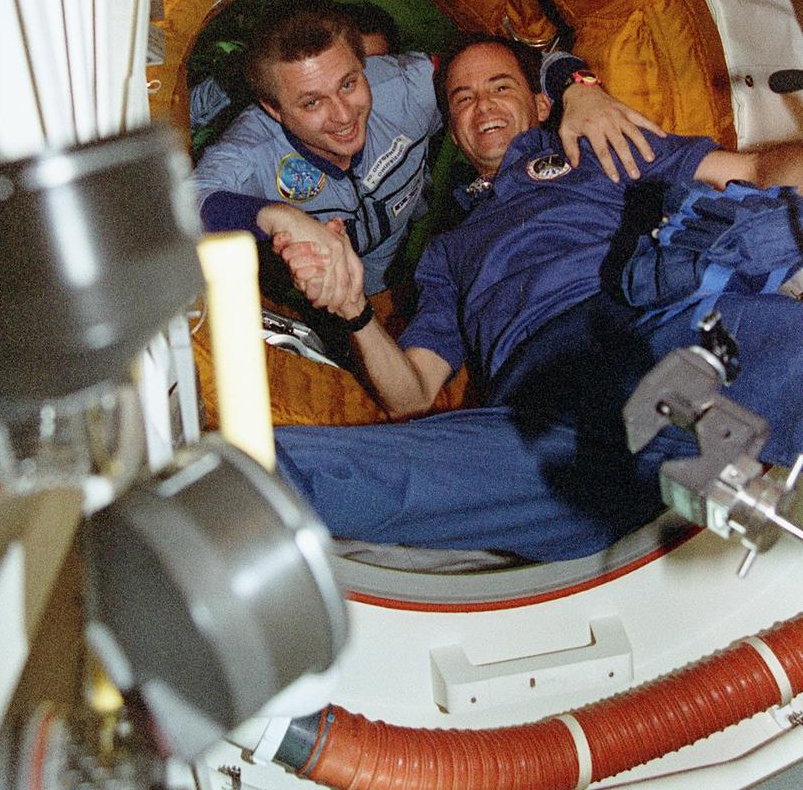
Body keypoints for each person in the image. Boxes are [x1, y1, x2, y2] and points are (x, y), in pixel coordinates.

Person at [264, 35, 803, 561]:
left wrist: (583, 88)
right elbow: (412, 394)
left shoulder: (598, 148)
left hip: (652, 331)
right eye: (463, 98)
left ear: (541, 102)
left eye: (500, 87)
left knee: (781, 342)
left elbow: (754, 171)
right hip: (542, 428)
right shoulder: (446, 252)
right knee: (295, 473)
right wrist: (356, 313)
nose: (483, 106)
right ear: (453, 129)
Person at [193, 0, 666, 298]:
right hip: (300, 287)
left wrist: (580, 88)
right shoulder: (253, 146)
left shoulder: (407, 83)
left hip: (383, 268)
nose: (342, 114)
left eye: (349, 84)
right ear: (274, 110)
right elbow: (181, 205)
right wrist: (282, 217)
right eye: (311, 102)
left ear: (365, 69)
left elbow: (515, 62)